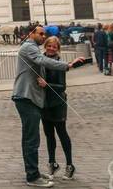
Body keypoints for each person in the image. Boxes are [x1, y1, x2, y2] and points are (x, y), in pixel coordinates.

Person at [12, 25, 84, 187]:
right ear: (31, 34)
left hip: (33, 99)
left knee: (31, 138)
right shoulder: (28, 47)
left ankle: (34, 172)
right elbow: (42, 61)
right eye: (40, 33)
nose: (43, 36)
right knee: (32, 139)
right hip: (26, 97)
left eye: (44, 34)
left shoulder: (33, 48)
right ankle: (32, 177)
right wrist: (68, 66)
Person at [40, 37, 75, 180]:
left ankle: (70, 165)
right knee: (49, 135)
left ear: (57, 49)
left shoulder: (60, 64)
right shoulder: (40, 60)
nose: (51, 48)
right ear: (45, 46)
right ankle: (52, 163)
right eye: (49, 46)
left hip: (58, 103)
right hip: (44, 104)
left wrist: (46, 84)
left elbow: (62, 86)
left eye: (54, 47)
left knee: (62, 133)